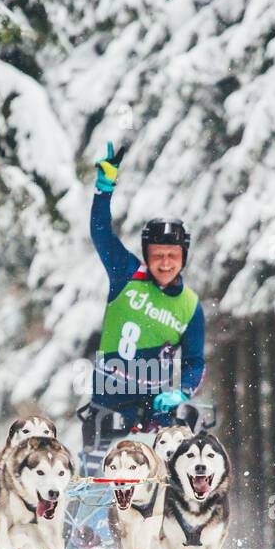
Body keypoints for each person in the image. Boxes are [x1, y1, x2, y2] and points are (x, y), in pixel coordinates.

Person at [81, 142, 206, 462]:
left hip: (156, 409)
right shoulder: (126, 273)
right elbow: (100, 233)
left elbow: (195, 362)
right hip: (109, 400)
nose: (165, 263)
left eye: (173, 256)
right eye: (158, 256)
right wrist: (104, 186)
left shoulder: (191, 307)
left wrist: (182, 392)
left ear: (184, 258)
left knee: (164, 481)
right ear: (147, 256)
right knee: (96, 479)